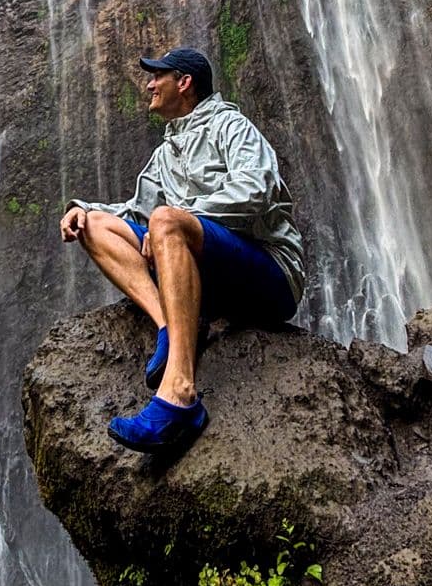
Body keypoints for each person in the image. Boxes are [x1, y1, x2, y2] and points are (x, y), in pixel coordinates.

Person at [58, 46, 303, 455]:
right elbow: (134, 211)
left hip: (269, 271)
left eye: (158, 77)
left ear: (184, 82)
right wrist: (82, 210)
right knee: (97, 226)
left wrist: (176, 218)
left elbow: (255, 190)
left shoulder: (232, 126)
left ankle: (181, 394)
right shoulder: (164, 154)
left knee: (166, 220)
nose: (150, 85)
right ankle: (169, 329)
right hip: (210, 277)